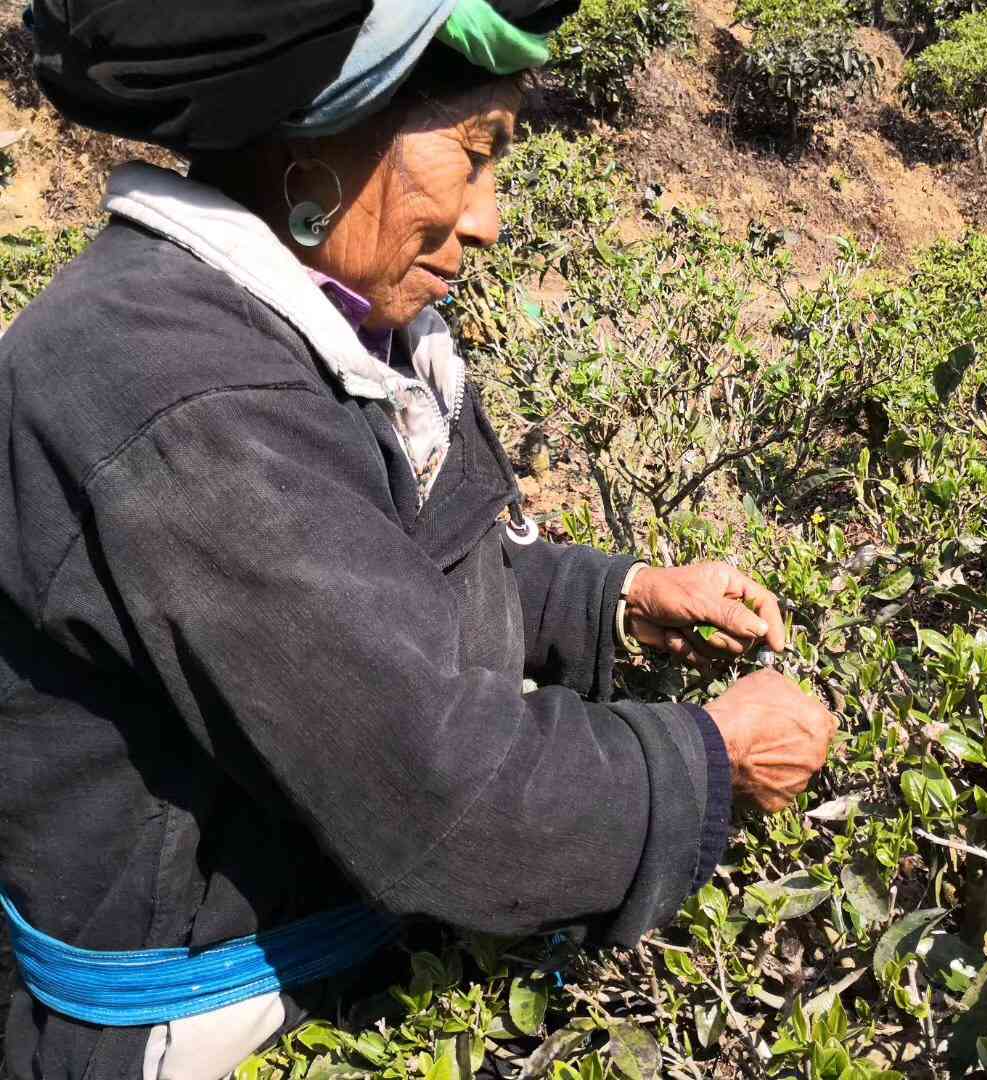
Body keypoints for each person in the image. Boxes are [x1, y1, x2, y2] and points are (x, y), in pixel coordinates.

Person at [0, 2, 838, 1076]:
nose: (489, 221)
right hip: (201, 1028)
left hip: (314, 942)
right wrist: (708, 759)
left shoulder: (285, 320)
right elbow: (445, 798)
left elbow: (397, 571)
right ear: (320, 140)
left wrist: (615, 597)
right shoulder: (184, 395)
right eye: (476, 155)